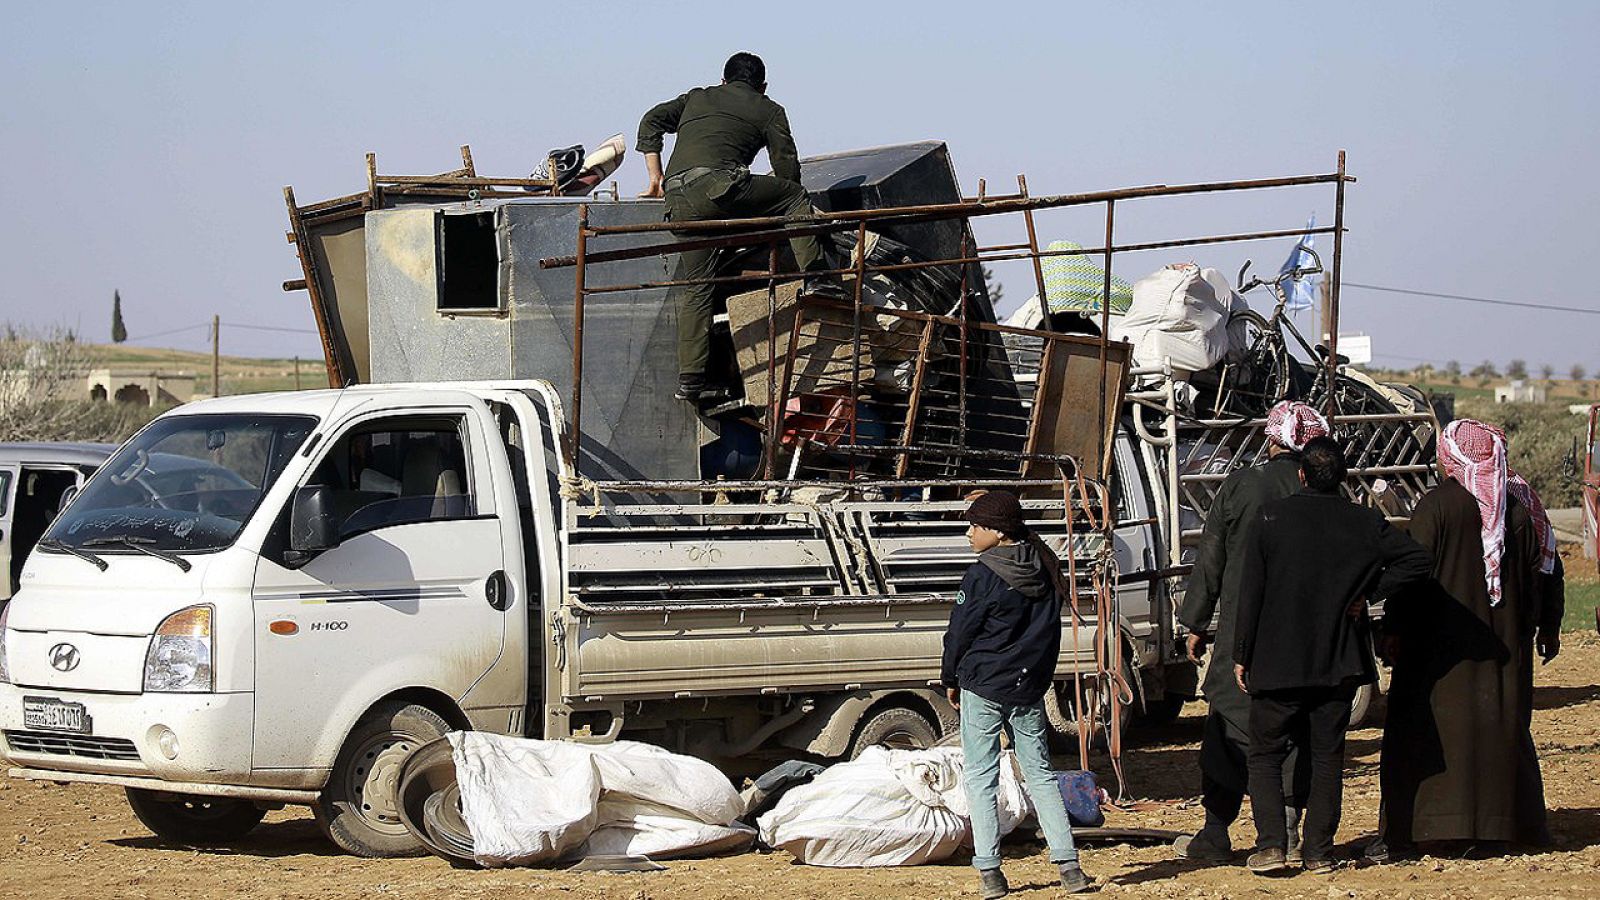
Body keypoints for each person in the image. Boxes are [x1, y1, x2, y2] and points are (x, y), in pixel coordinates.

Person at [1234, 437, 1431, 874]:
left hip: (1277, 660)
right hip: (1338, 660)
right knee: (1327, 756)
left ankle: (1272, 847)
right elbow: (1417, 560)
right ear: (1342, 478)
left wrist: (1241, 653)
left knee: (1265, 755)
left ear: (1301, 474)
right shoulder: (1364, 522)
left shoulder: (1270, 518)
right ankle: (1319, 852)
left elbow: (1252, 594)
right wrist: (1369, 593)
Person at [1375, 419, 1563, 858]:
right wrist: (1544, 626)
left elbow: (1411, 576)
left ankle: (1421, 831)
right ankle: (1501, 827)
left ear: (1452, 458)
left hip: (1438, 653)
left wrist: (1393, 629)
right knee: (1501, 731)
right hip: (1504, 652)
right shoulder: (1519, 509)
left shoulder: (1437, 507)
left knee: (1425, 736)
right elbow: (1545, 574)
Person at [636, 51, 840, 404]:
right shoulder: (769, 109)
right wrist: (797, 216)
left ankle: (691, 380)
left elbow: (651, 120)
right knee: (793, 196)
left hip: (677, 201)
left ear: (723, 80)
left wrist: (656, 177)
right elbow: (786, 167)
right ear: (763, 86)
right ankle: (818, 277)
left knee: (698, 288)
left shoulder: (697, 97)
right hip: (718, 189)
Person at [1173, 400, 1327, 864]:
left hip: (1243, 629)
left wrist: (1195, 621)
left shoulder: (1242, 485)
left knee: (1227, 723)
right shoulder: (1324, 488)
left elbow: (1212, 557)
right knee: (1296, 729)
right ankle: (1290, 828)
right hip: (1305, 634)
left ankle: (1216, 831)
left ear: (1271, 438)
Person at [941, 490, 1092, 897]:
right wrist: (1036, 680)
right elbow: (1049, 634)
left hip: (983, 686)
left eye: (975, 526)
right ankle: (1069, 868)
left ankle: (990, 872)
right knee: (1040, 774)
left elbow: (960, 633)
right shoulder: (1044, 565)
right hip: (1027, 688)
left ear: (997, 531)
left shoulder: (982, 575)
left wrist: (950, 677)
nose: (969, 533)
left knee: (981, 776)